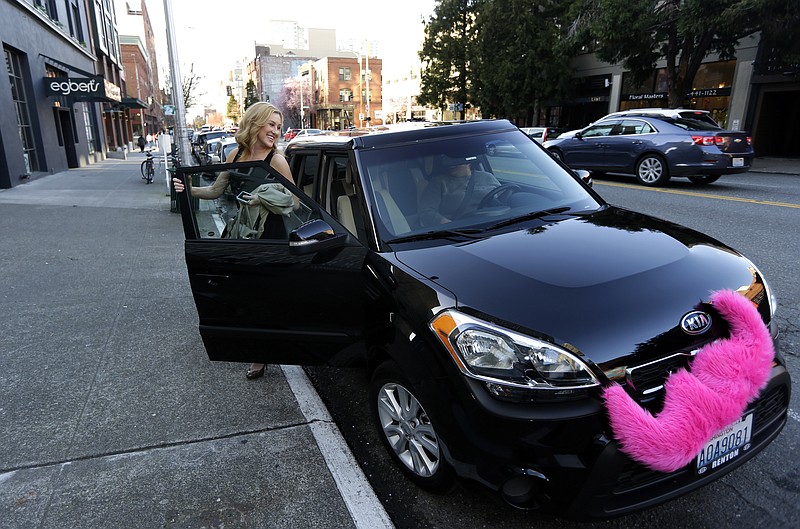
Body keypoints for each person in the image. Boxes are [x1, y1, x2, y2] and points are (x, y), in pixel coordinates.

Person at [173, 102, 295, 380]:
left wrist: (264, 198)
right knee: (244, 296)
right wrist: (187, 189)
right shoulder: (234, 154)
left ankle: (264, 353)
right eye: (271, 125)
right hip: (243, 236)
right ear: (255, 123)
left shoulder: (277, 160)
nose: (275, 131)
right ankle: (258, 350)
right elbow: (216, 190)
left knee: (265, 297)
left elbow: (295, 201)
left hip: (271, 237)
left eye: (278, 127)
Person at [418, 155, 501, 226]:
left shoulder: (488, 177)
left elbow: (504, 198)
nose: (450, 163)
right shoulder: (438, 182)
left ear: (468, 161)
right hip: (459, 231)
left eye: (455, 160)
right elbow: (426, 212)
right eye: (447, 160)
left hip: (494, 225)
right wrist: (450, 225)